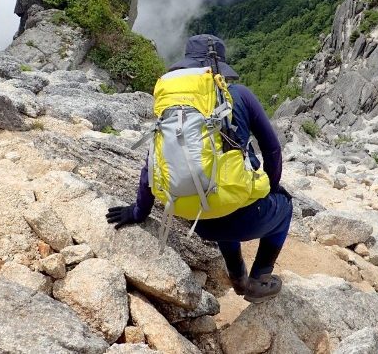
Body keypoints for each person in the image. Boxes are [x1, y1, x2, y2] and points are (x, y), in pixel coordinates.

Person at [106, 34, 293, 303]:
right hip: (245, 217)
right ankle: (259, 278)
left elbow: (152, 164)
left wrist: (137, 212)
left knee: (215, 189)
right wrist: (271, 191)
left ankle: (237, 277)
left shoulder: (171, 108)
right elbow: (273, 150)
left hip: (198, 221)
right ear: (219, 69)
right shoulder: (240, 95)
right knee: (283, 205)